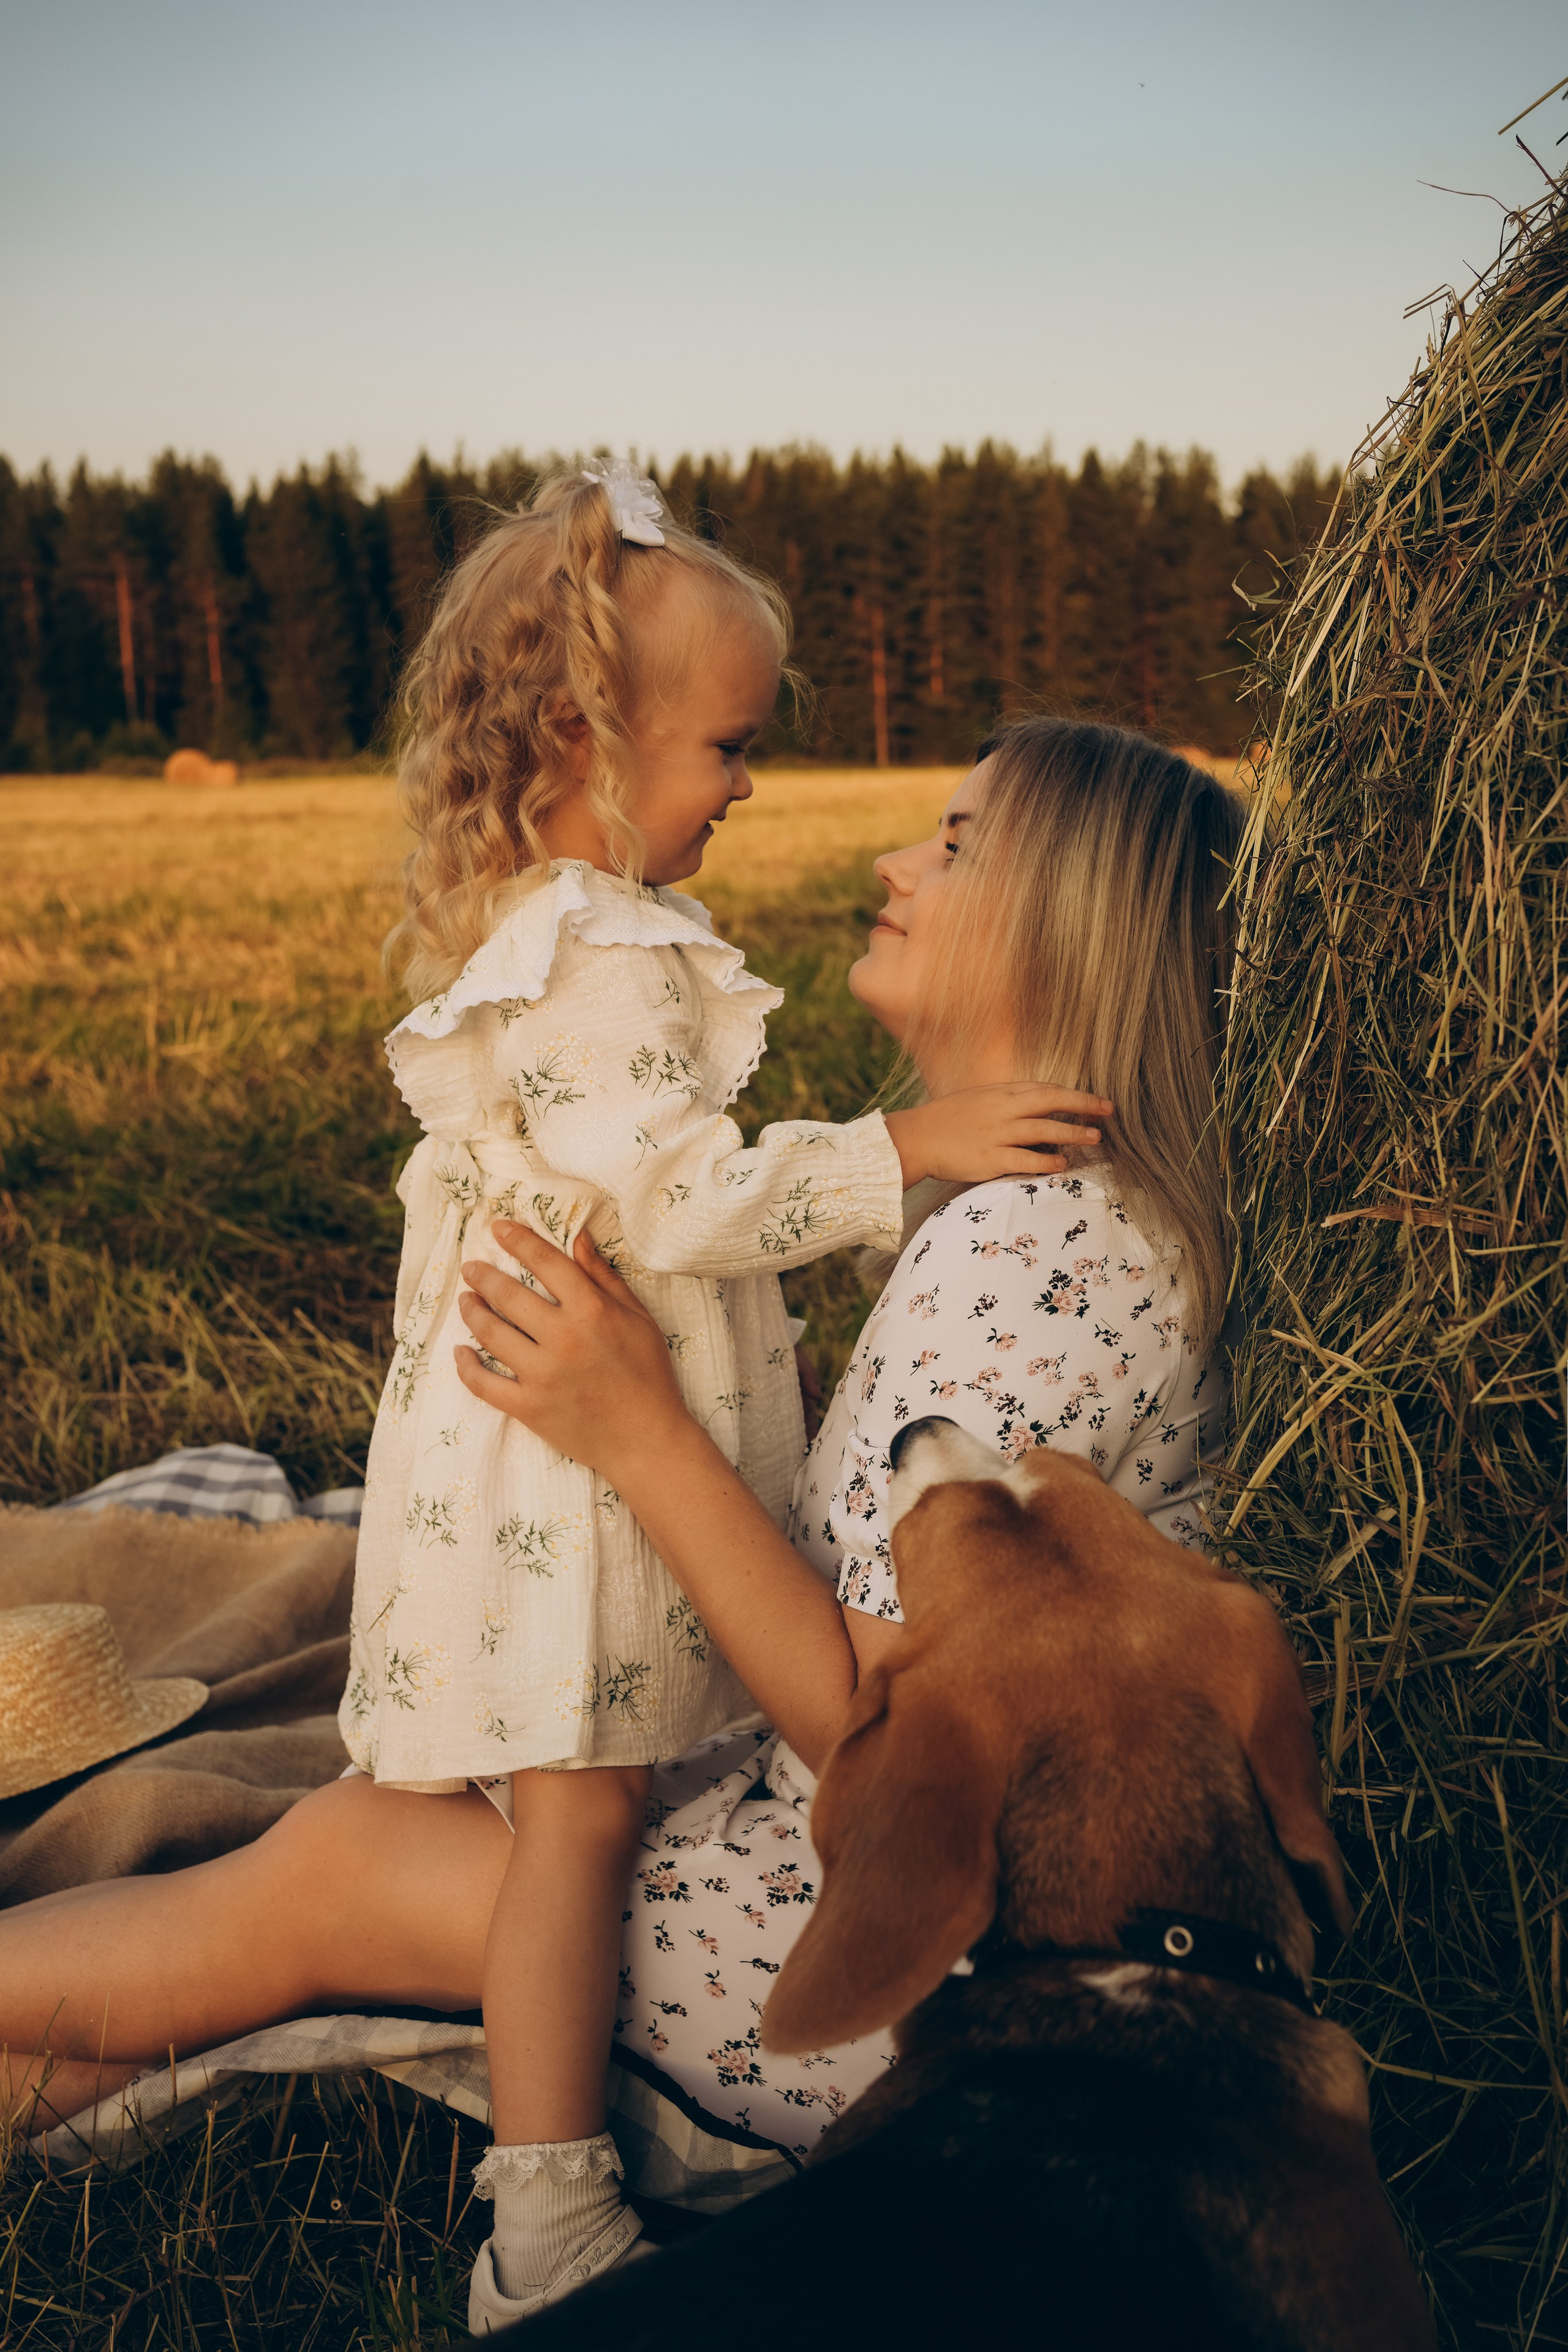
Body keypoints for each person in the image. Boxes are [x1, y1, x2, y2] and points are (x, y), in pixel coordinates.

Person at [0, 716, 1240, 2335]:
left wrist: (636, 1431)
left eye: (956, 842)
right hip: (926, 1919)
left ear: (1079, 921)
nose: (893, 861)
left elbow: (889, 1755)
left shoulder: (1035, 1266)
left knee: (347, 1862)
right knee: (349, 1863)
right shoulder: (1056, 1227)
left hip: (879, 1966)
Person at [328, 459, 1108, 2320]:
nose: (753, 787)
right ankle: (550, 2221)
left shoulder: (569, 919)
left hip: (559, 1424)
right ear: (595, 744)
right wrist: (897, 1151)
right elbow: (672, 1194)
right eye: (733, 748)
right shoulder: (612, 953)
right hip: (563, 1461)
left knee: (587, 1796)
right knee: (581, 1815)